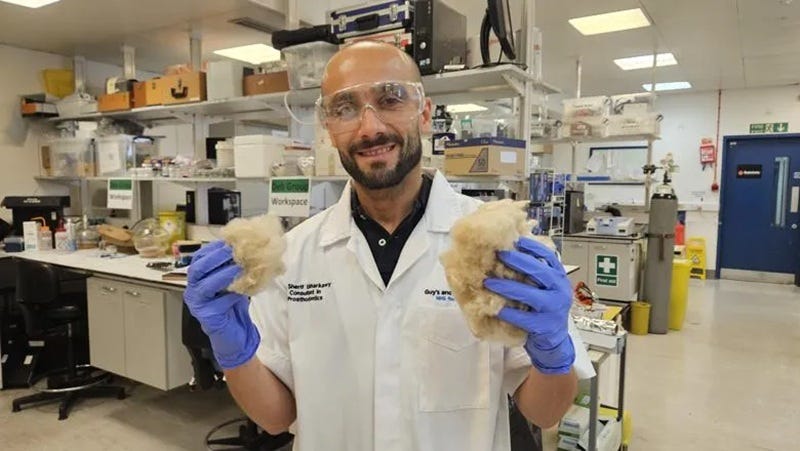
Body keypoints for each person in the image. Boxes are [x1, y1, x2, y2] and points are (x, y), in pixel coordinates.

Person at [184, 41, 593, 451]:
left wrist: (553, 350)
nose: (369, 128)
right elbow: (276, 418)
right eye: (345, 108)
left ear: (425, 113)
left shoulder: (502, 250)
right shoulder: (293, 255)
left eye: (390, 98)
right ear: (328, 128)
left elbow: (545, 413)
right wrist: (234, 354)